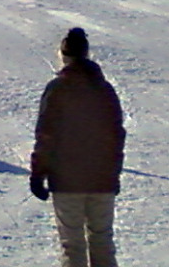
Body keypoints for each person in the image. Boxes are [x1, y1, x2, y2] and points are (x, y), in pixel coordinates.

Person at [30, 27, 126, 267]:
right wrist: (113, 172)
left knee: (72, 244)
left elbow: (47, 134)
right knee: (102, 239)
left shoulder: (58, 89)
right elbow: (117, 134)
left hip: (67, 181)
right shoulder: (105, 90)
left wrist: (38, 173)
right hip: (101, 180)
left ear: (64, 55)